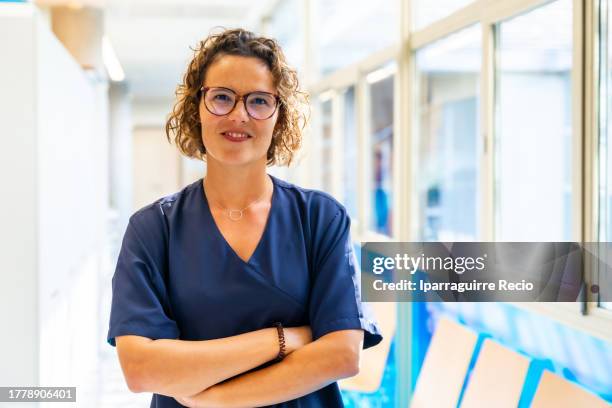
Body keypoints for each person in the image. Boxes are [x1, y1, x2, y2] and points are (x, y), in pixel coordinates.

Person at [107, 27, 382, 408]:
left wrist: (215, 400)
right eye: (221, 97)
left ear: (278, 116)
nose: (239, 115)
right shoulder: (154, 229)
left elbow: (342, 355)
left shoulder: (320, 219)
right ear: (196, 108)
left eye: (258, 101)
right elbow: (141, 369)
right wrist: (284, 339)